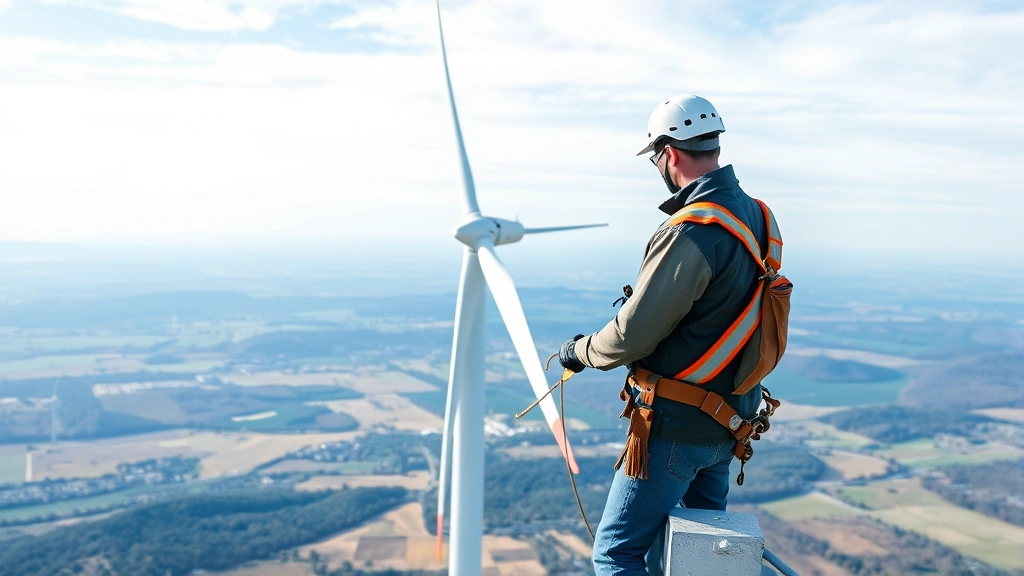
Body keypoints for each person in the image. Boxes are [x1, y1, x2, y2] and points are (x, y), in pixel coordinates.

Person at [558, 94, 775, 575]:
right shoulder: (758, 215)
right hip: (730, 419)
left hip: (676, 426)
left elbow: (631, 336)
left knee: (616, 554)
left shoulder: (691, 231)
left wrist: (579, 352)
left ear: (670, 153)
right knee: (698, 555)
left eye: (656, 157)